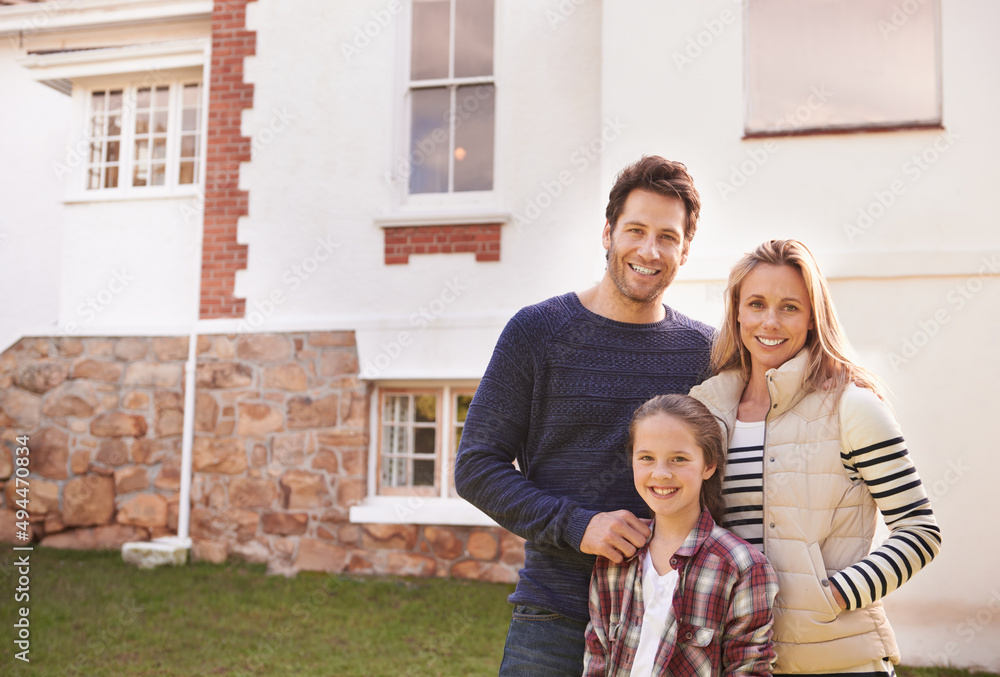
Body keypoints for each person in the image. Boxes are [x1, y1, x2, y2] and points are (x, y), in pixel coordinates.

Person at [454, 156, 715, 677]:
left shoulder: (705, 352)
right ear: (607, 232)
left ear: (685, 250)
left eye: (667, 236)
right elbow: (476, 466)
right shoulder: (537, 332)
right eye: (635, 230)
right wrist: (578, 525)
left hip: (670, 620)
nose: (648, 250)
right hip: (556, 615)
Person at [689, 239, 942, 675]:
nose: (770, 321)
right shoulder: (706, 410)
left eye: (789, 307)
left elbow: (920, 531)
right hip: (738, 659)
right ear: (736, 312)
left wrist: (837, 592)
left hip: (838, 658)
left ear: (812, 319)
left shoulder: (852, 407)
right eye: (756, 304)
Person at [584, 394, 778, 676]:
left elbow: (748, 669)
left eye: (679, 459)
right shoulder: (615, 556)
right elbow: (597, 658)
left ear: (708, 465)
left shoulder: (743, 567)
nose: (660, 474)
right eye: (647, 458)